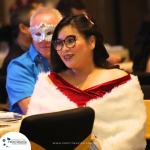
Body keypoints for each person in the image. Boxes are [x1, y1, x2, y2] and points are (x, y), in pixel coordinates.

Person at [27, 14, 146, 150]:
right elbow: (35, 133)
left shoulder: (122, 82)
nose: (64, 49)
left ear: (91, 42)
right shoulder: (49, 83)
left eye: (70, 40)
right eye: (59, 43)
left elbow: (131, 136)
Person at [6, 7, 62, 115]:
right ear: (31, 34)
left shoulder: (69, 62)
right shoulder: (18, 67)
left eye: (50, 32)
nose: (44, 40)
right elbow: (33, 111)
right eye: (38, 34)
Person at [0, 5, 36, 105]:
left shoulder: (38, 53)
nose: (42, 30)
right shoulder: (16, 60)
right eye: (36, 25)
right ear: (23, 28)